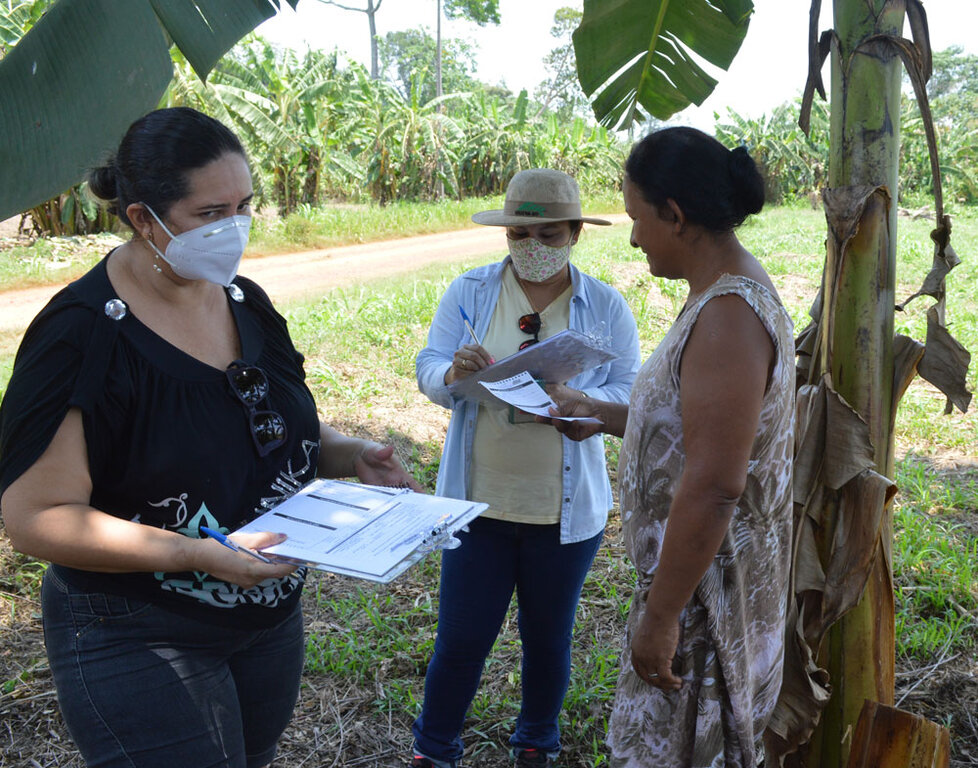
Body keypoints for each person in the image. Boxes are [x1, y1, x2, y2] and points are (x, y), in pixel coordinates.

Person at [0, 107, 418, 768]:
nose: (235, 229)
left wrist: (347, 454)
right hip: (136, 628)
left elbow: (272, 425)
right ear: (144, 219)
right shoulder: (83, 335)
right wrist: (196, 553)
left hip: (266, 622)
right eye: (211, 213)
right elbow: (35, 518)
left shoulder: (243, 300)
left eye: (245, 206)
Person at [544, 127, 795, 767]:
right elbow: (700, 432)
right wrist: (604, 415)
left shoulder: (729, 316)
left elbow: (715, 483)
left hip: (705, 600)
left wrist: (660, 617)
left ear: (675, 216)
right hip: (698, 588)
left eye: (636, 218)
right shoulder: (720, 297)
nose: (633, 237)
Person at [411, 168, 641, 768]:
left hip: (562, 513)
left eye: (549, 234)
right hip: (478, 503)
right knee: (461, 639)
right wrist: (454, 375)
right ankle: (434, 749)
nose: (532, 248)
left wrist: (583, 404)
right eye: (519, 235)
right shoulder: (470, 292)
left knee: (546, 639)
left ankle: (537, 741)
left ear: (575, 235)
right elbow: (430, 365)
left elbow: (630, 389)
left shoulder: (605, 306)